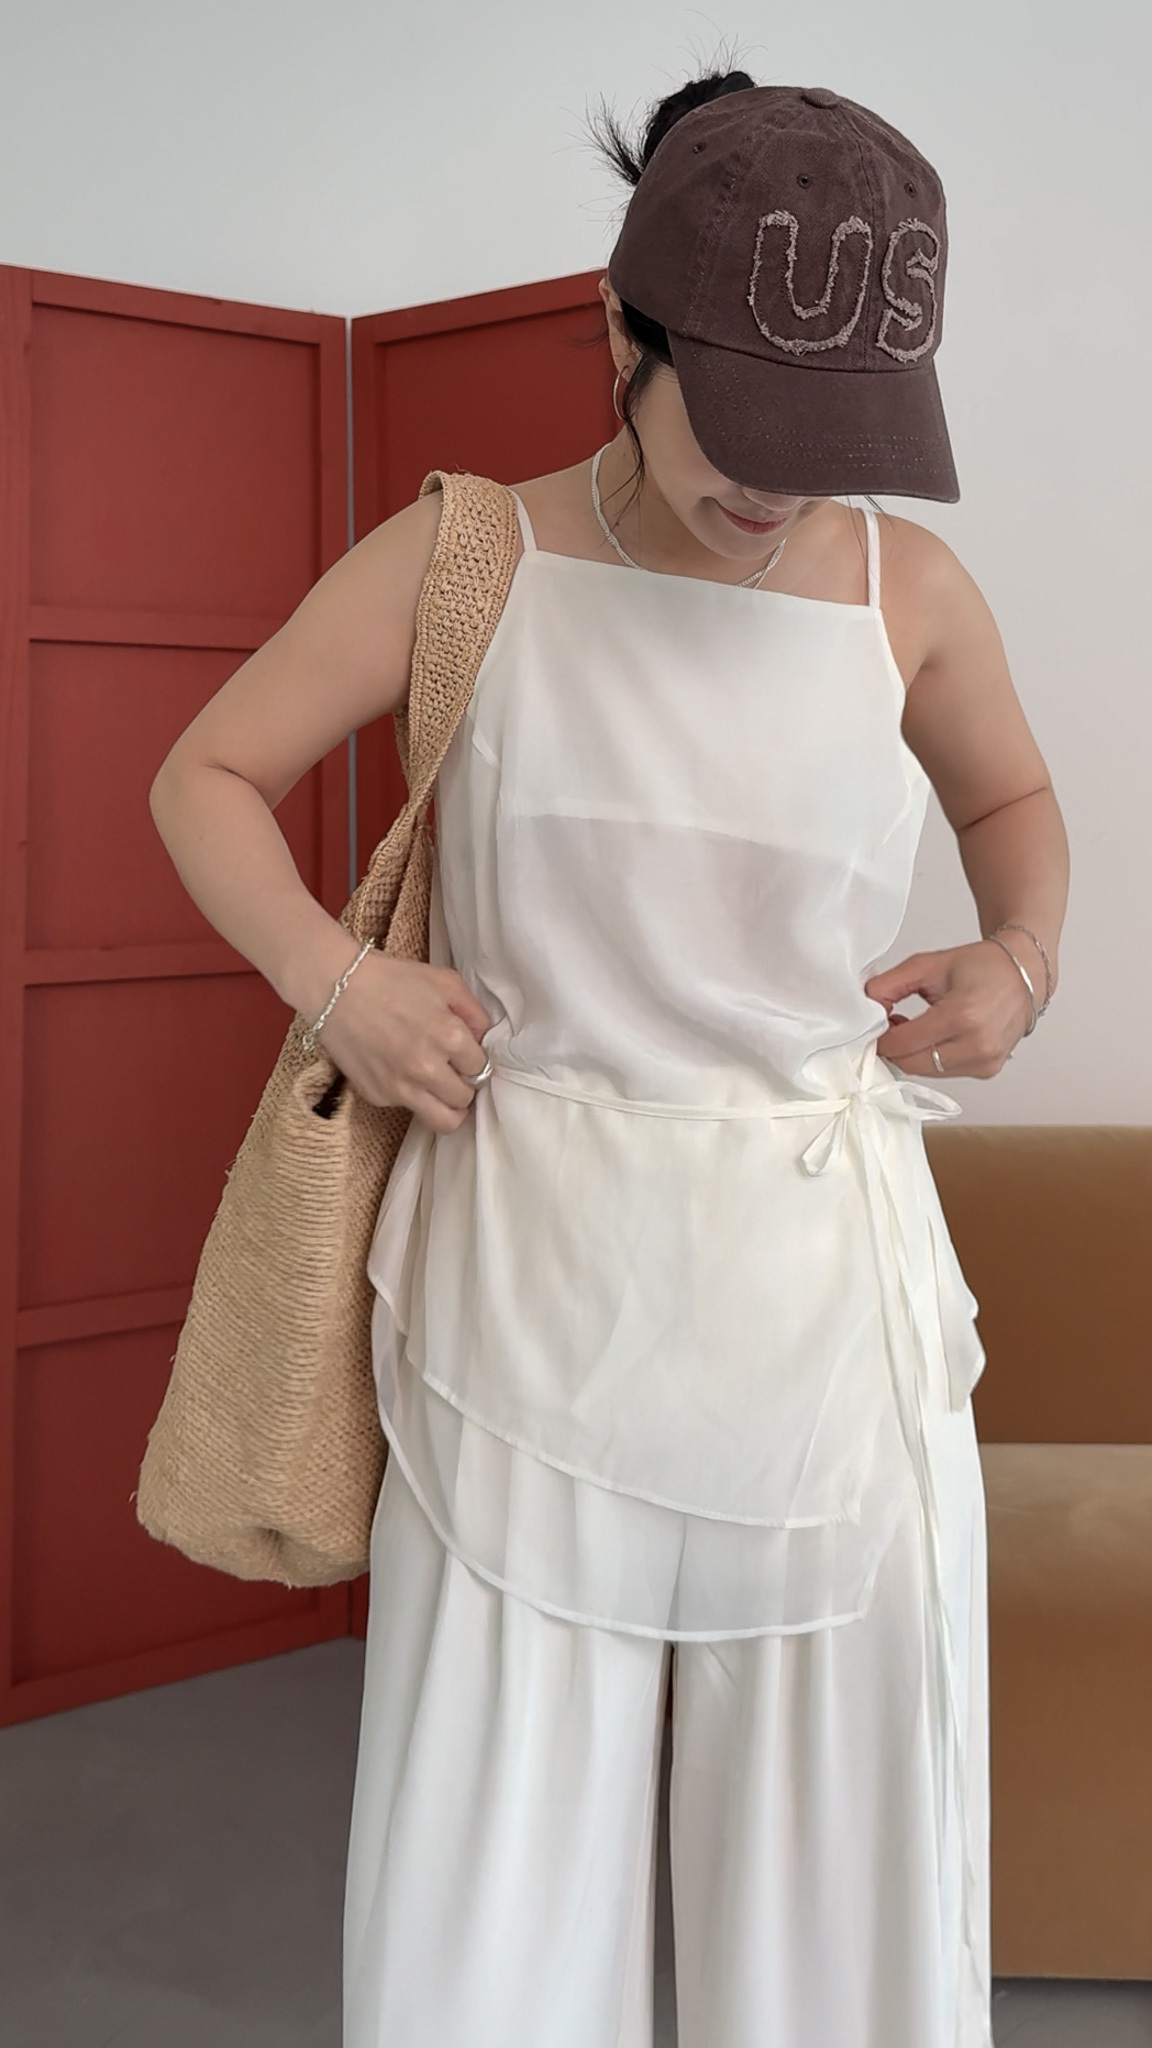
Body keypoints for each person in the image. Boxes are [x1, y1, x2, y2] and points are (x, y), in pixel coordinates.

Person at [148, 69, 1069, 2048]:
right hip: (527, 1294)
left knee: (845, 1889)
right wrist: (337, 980)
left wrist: (1023, 960)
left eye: (836, 439)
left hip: (828, 1318)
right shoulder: (467, 560)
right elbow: (204, 773)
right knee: (490, 1897)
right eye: (745, 424)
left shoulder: (905, 592)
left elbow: (1014, 808)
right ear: (619, 326)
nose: (782, 487)